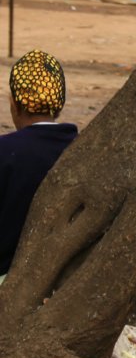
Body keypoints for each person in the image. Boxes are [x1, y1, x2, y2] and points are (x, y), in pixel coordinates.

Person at [0, 50, 78, 283]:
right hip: (59, 281)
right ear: (59, 104)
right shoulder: (80, 149)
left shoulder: (5, 151)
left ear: (14, 103)